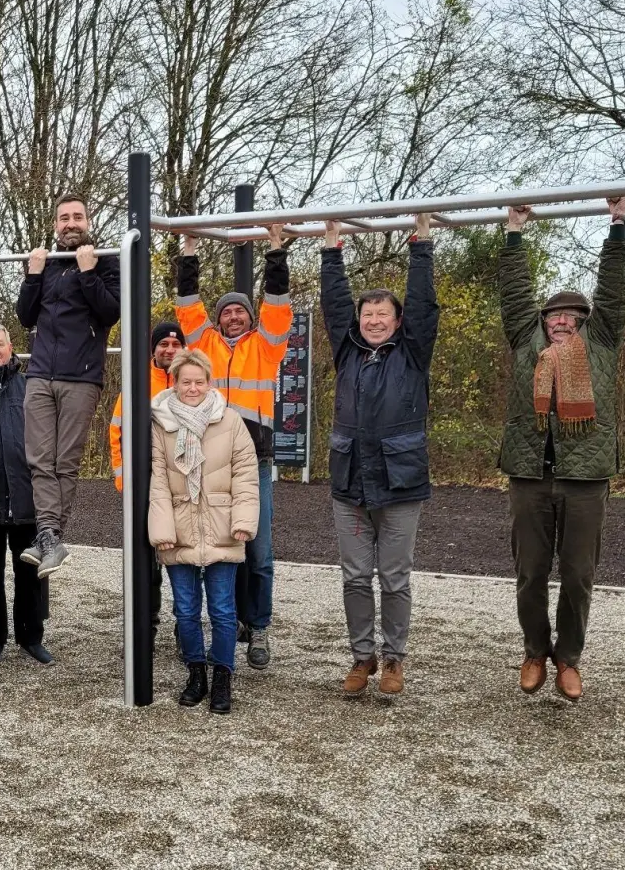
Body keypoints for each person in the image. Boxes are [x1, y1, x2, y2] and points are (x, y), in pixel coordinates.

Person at [501, 198, 625, 702]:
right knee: (530, 572)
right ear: (544, 320)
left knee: (578, 574)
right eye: (555, 315)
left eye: (573, 315)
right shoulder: (524, 339)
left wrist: (617, 226)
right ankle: (536, 650)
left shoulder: (601, 341)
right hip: (529, 473)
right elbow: (515, 294)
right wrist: (514, 233)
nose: (563, 321)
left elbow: (613, 292)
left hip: (586, 477)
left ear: (585, 321)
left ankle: (569, 659)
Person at [319, 214, 440, 699]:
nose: (372, 321)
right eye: (366, 314)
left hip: (400, 482)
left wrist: (422, 244)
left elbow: (424, 305)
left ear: (396, 321)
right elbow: (333, 305)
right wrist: (331, 250)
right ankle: (361, 657)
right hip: (350, 481)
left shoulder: (412, 353)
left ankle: (394, 658)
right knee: (353, 576)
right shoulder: (346, 351)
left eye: (382, 315)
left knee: (393, 576)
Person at [174, 226, 292, 670]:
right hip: (207, 460)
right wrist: (189, 249)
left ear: (250, 317)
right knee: (213, 546)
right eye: (227, 313)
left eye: (241, 312)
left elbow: (278, 302)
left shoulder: (267, 346)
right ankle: (214, 622)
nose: (234, 318)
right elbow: (188, 305)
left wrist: (276, 249)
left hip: (253, 462)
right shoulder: (201, 346)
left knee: (258, 549)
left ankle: (257, 625)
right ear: (219, 319)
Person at [15, 194, 122, 577]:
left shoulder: (107, 259)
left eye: (77, 217)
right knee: (39, 458)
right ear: (56, 223)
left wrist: (89, 272)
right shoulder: (48, 265)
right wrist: (32, 274)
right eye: (64, 218)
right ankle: (49, 537)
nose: (70, 223)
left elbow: (111, 312)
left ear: (88, 221)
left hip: (81, 375)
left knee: (65, 461)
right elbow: (25, 316)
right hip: (41, 371)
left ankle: (49, 535)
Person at [147, 350, 259, 715]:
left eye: (199, 381)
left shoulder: (230, 422)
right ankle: (196, 673)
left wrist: (243, 521)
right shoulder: (160, 425)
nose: (192, 388)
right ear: (174, 383)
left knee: (224, 610)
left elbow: (245, 475)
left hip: (222, 524)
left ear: (209, 383)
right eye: (186, 382)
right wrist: (162, 529)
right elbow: (159, 481)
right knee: (186, 610)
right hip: (178, 526)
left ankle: (223, 675)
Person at [0, 322, 53, 665]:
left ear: (10, 346)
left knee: (29, 571)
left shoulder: (29, 385)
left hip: (27, 495)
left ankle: (31, 637)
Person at [108, 322, 184, 654]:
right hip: (145, 486)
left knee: (185, 560)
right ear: (152, 349)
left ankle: (186, 629)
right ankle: (146, 626)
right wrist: (125, 482)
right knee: (145, 562)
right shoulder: (137, 383)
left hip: (183, 485)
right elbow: (117, 434)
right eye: (163, 344)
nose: (169, 349)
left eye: (175, 343)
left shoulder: (192, 382)